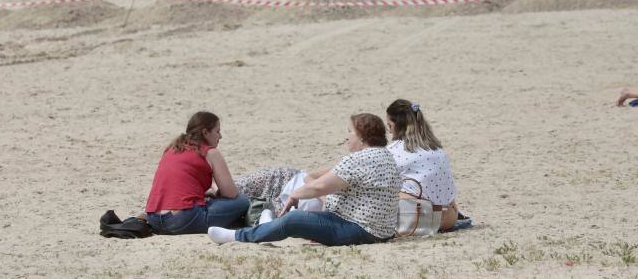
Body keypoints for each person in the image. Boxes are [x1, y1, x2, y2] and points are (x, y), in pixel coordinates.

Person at [207, 113, 401, 246]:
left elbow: (319, 187)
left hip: (359, 230)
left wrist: (295, 194)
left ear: (361, 135)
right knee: (298, 219)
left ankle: (236, 236)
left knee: (293, 219)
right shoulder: (385, 156)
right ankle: (266, 226)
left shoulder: (360, 159)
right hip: (376, 229)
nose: (346, 137)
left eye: (349, 132)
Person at [145, 111, 248, 235]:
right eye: (217, 131)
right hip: (182, 219)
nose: (220, 136)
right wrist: (215, 192)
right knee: (243, 201)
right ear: (205, 132)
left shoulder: (172, 148)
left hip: (154, 219)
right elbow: (231, 194)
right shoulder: (210, 152)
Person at [385, 99, 460, 232]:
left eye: (389, 126)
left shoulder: (394, 151)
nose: (390, 132)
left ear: (398, 125)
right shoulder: (437, 148)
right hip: (449, 218)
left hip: (416, 219)